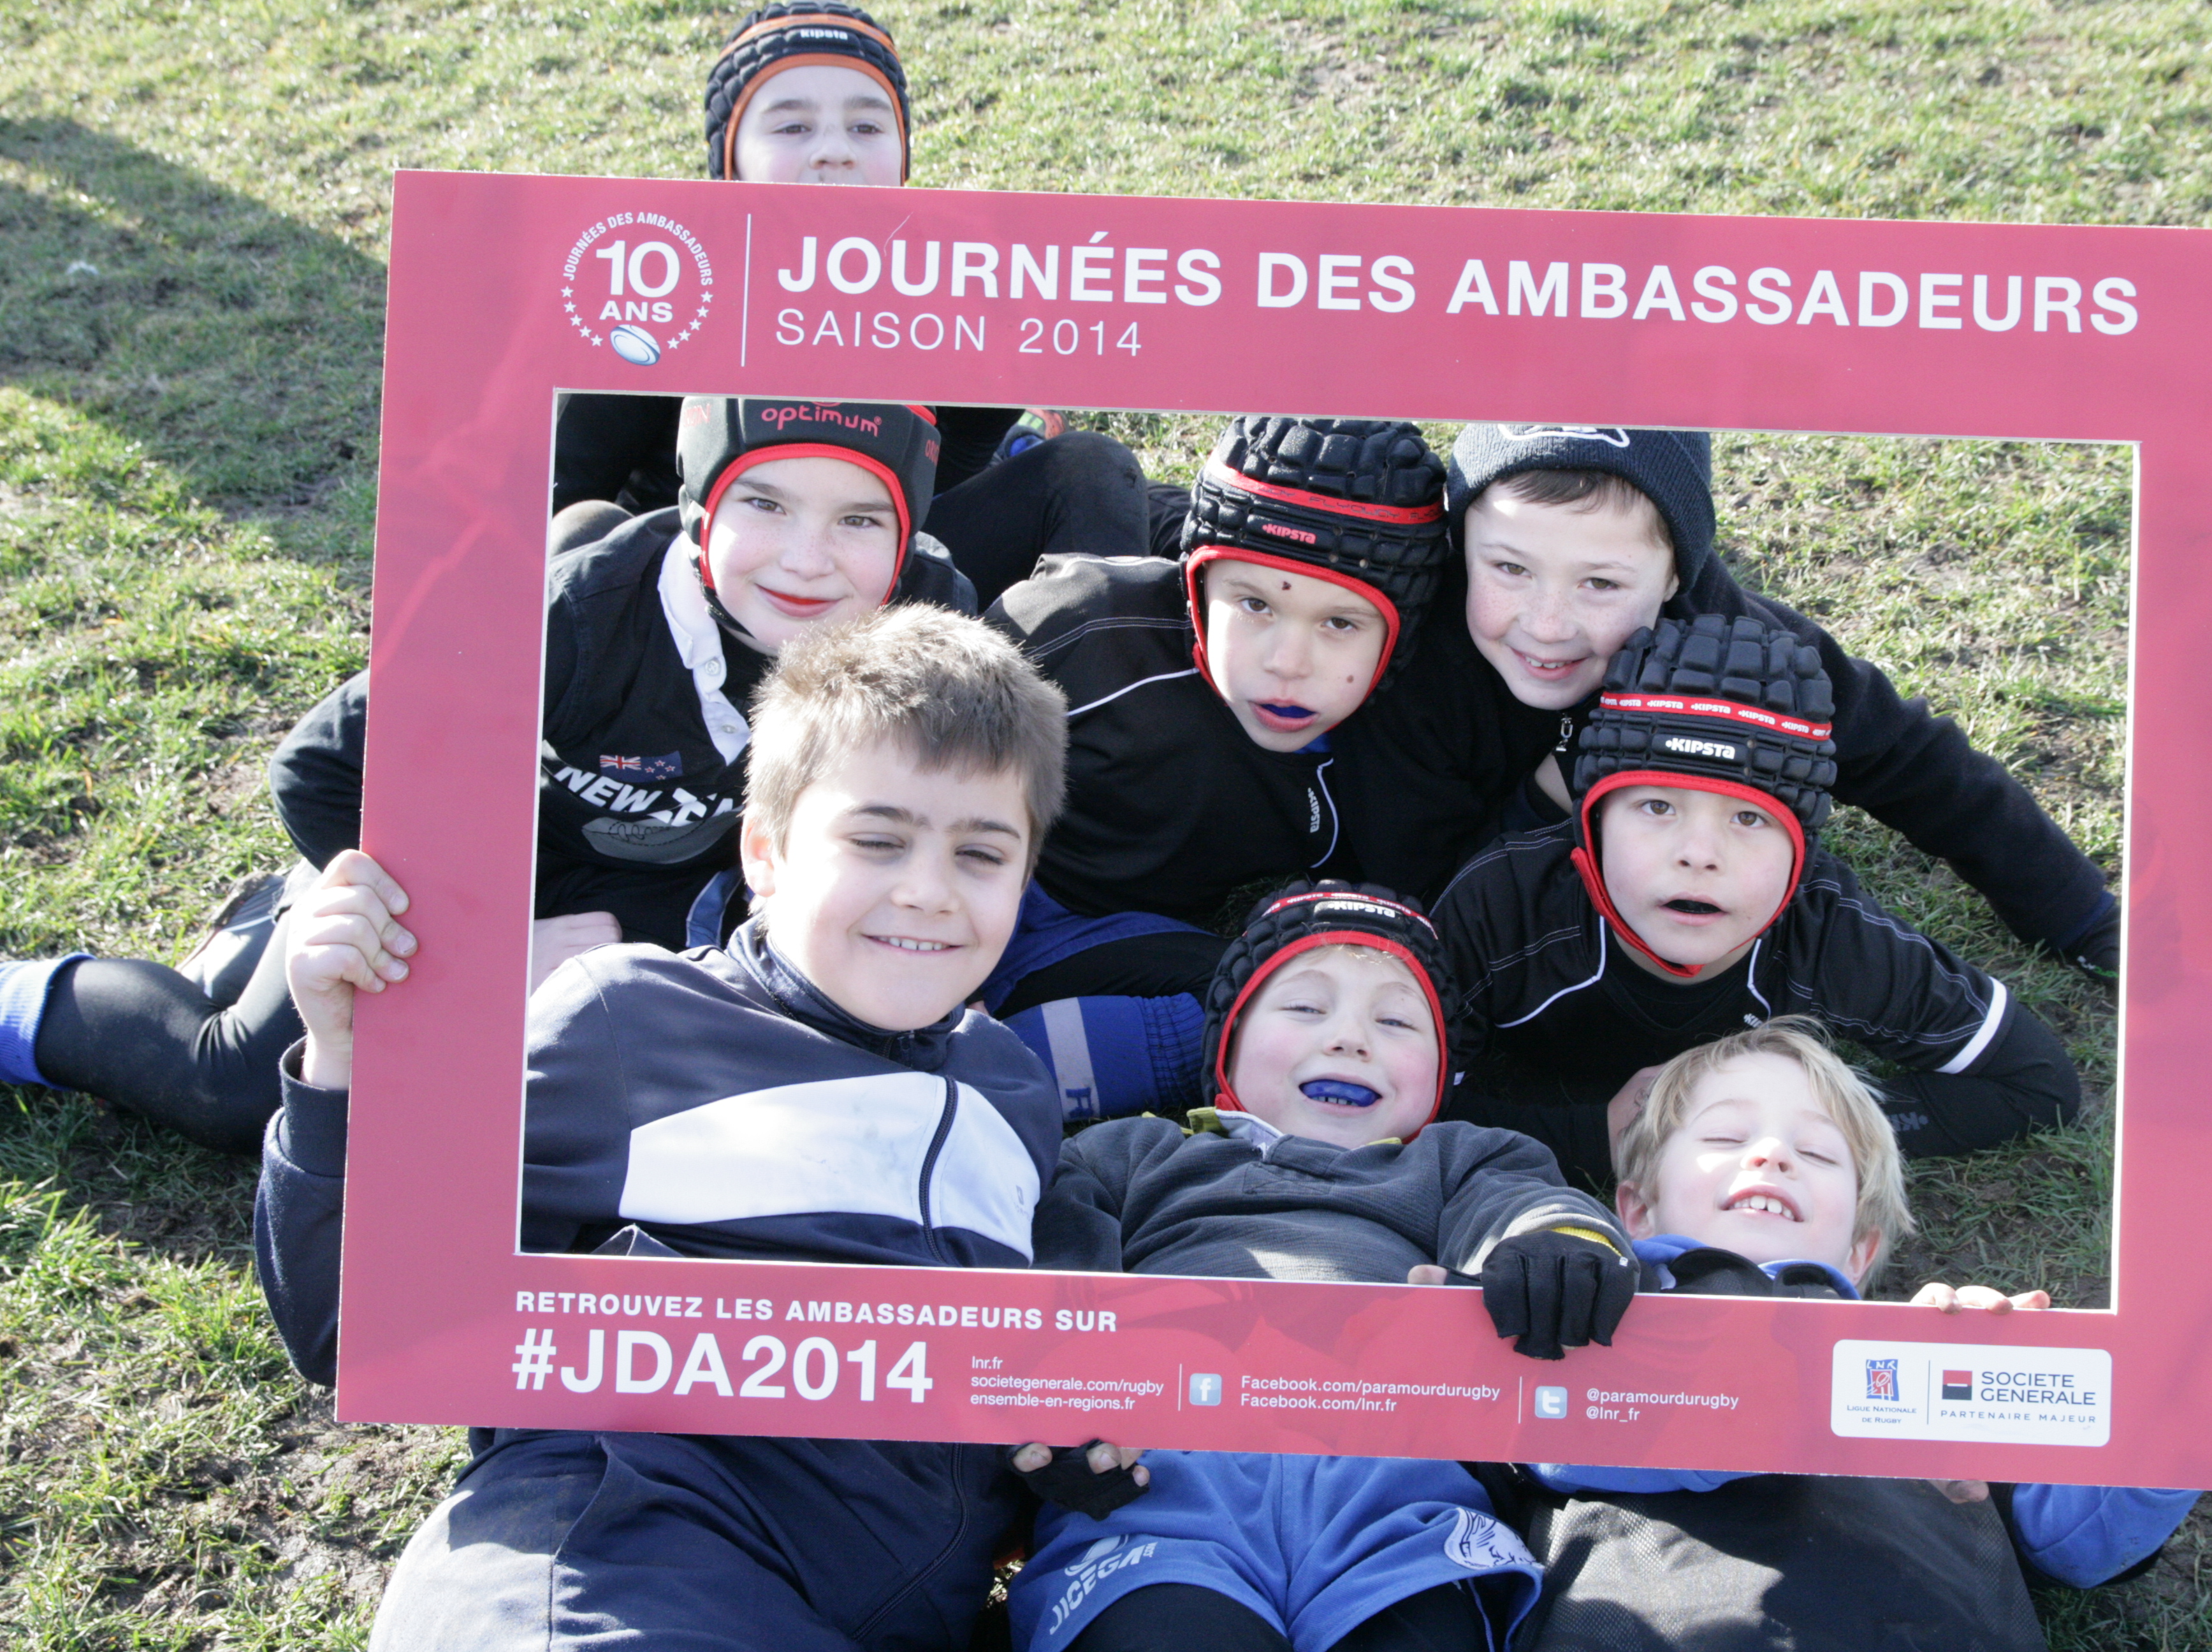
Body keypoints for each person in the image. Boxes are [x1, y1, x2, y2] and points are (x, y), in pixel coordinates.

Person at [256, 604, 1147, 1649]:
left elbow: (1035, 1385)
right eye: (876, 838)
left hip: (892, 1616)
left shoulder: (1011, 1092)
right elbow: (356, 1325)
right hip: (611, 1567)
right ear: (765, 854)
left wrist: (1070, 1447)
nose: (926, 891)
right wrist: (347, 1067)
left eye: (981, 853)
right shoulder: (628, 1016)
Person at [0, 396, 970, 1152]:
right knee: (237, 1089)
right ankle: (40, 997)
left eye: (858, 519)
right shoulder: (578, 616)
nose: (808, 559)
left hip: (660, 899)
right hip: (467, 875)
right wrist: (484, 943)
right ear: (698, 506)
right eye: (763, 502)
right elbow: (319, 770)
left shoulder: (928, 616)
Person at [1508, 1019, 2212, 1650]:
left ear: (1862, 1251)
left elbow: (2083, 1544)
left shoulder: (1941, 1357)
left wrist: (2211, 1341)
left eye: (1819, 1154)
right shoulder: (1584, 1320)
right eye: (1726, 1138)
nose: (1770, 1156)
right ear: (1637, 1210)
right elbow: (1551, 1432)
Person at [1016, 881, 1640, 1652]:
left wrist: (1559, 1251)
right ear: (1229, 1049)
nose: (1350, 1039)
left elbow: (1531, 1208)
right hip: (1159, 1495)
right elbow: (1048, 1261)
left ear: (1441, 1078)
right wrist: (1062, 1393)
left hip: (1403, 1510)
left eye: (1396, 1021)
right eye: (1306, 1009)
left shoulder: (1462, 1160)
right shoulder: (1130, 1153)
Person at [1335, 424, 2122, 978]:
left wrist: (2081, 914)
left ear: (1678, 577)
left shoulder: (1730, 643)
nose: (1547, 624)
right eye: (1508, 568)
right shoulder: (1421, 668)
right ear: (1459, 547)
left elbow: (1909, 758)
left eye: (1601, 583)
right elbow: (1417, 888)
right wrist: (1547, 807)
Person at [1434, 615, 2081, 1187]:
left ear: (1801, 853)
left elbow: (2035, 1083)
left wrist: (1797, 1128)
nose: (1699, 853)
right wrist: (1597, 1138)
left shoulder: (1832, 940)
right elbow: (1384, 1113)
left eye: (1748, 819)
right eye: (1657, 806)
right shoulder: (1503, 910)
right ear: (1593, 822)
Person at [549, 0, 1154, 597]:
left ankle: (1086, 689)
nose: (834, 150)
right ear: (729, 163)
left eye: (866, 127)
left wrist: (998, 356)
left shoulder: (948, 280)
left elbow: (947, 478)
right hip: (699, 593)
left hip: (882, 578)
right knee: (581, 529)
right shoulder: (659, 285)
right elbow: (562, 490)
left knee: (1089, 469)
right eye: (793, 127)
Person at [979, 416, 1463, 1120]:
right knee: (1093, 473)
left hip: (1105, 936)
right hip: (989, 890)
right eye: (1254, 604)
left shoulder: (1410, 746)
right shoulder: (1086, 631)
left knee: (1258, 1000)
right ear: (1197, 585)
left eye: (1340, 624)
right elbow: (914, 756)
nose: (1287, 663)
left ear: (1400, 631)